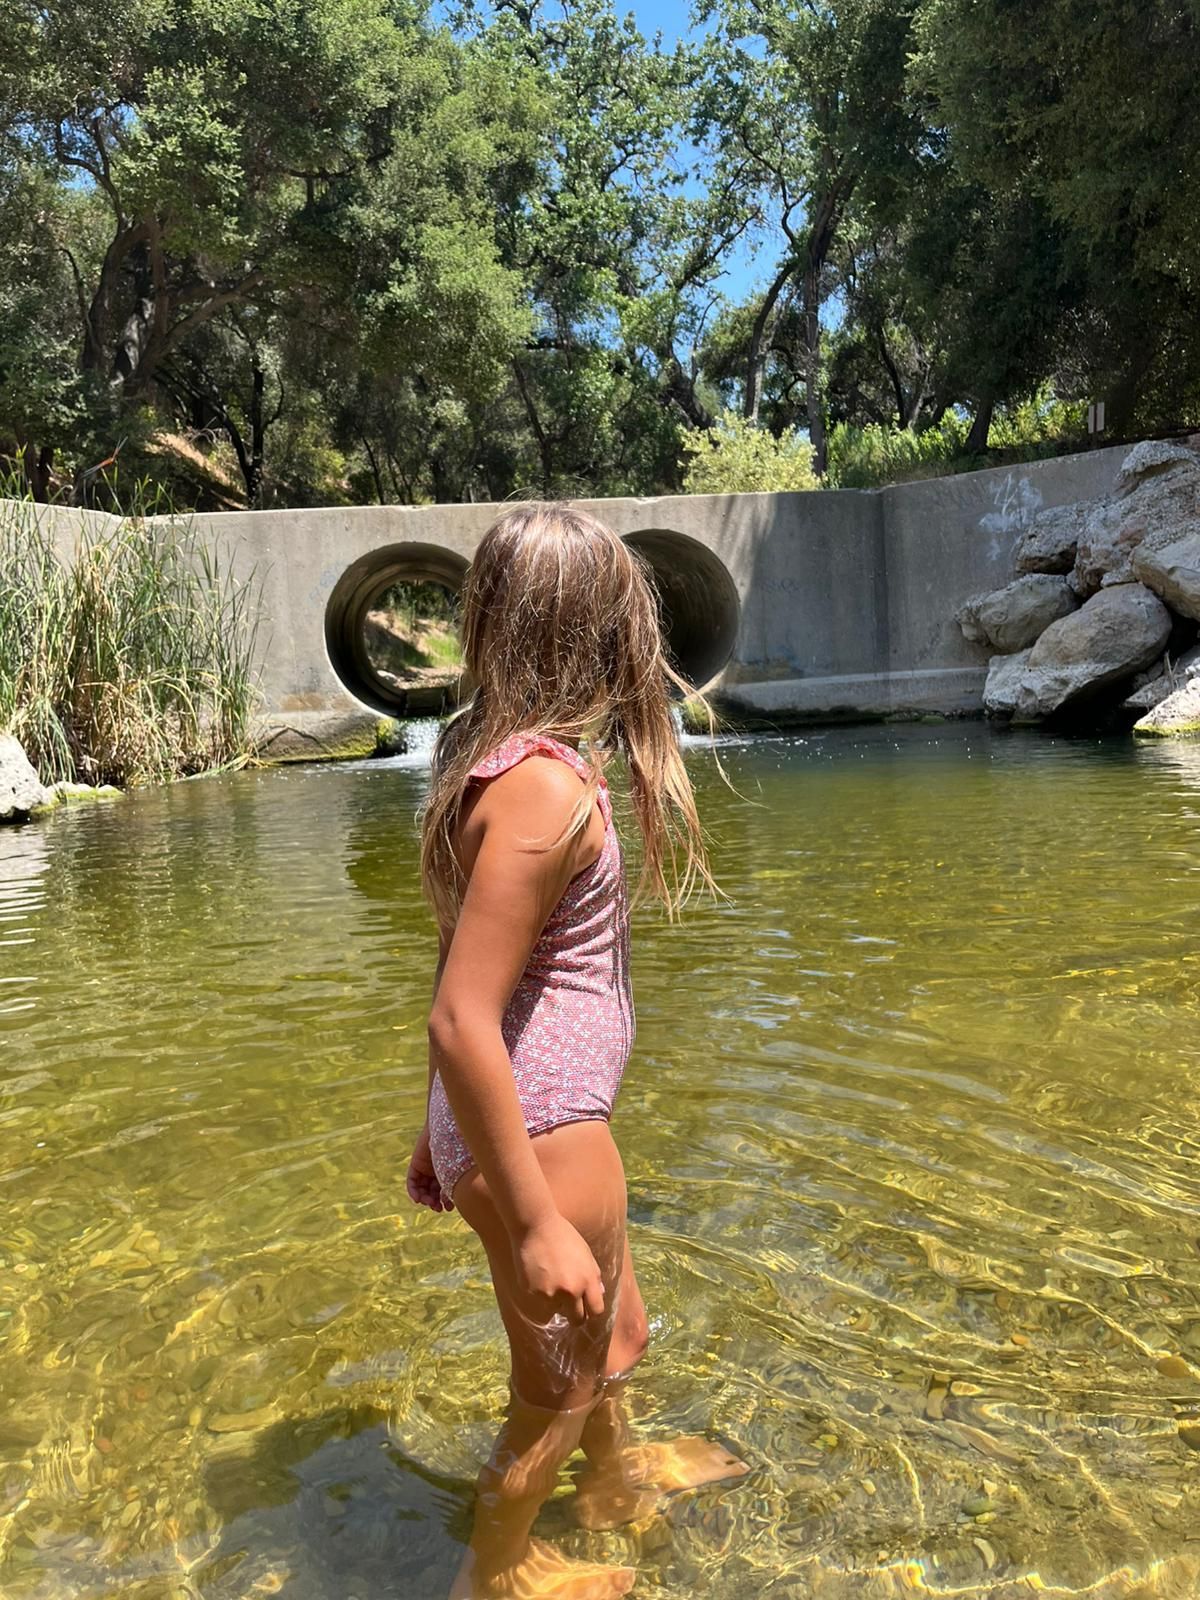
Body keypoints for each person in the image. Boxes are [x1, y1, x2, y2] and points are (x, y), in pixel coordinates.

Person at [406, 504, 748, 1599]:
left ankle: (612, 1480)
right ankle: (494, 1573)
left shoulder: (499, 768)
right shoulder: (543, 790)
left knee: (618, 1335)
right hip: (545, 1142)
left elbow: (461, 970)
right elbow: (462, 1015)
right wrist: (536, 1218)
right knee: (553, 1391)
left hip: (526, 1126)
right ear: (606, 634)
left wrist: (435, 1129)